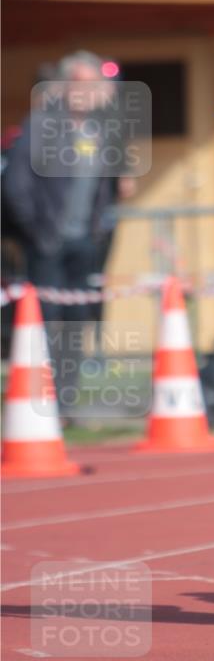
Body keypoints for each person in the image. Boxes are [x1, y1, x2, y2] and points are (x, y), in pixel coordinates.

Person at [3, 50, 136, 418]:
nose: (88, 91)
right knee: (46, 320)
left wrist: (95, 229)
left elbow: (108, 186)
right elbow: (15, 186)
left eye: (94, 84)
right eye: (80, 83)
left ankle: (65, 403)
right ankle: (36, 402)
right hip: (47, 244)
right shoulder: (41, 124)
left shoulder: (99, 129)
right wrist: (39, 229)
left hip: (84, 244)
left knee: (77, 324)